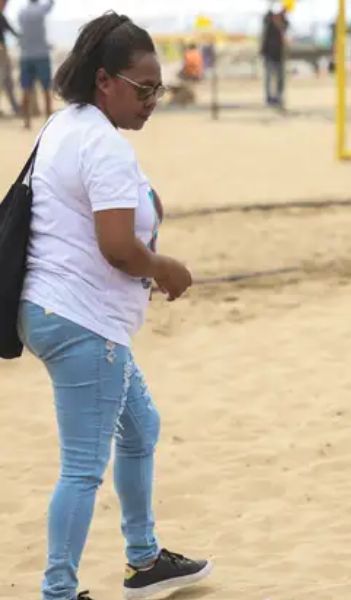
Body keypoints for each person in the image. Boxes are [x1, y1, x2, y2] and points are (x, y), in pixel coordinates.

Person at [17, 12, 211, 600]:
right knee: (81, 467)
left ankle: (145, 560)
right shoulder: (102, 145)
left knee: (141, 428)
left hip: (61, 312)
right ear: (105, 81)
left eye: (160, 87)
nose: (154, 99)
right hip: (82, 324)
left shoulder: (66, 124)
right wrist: (165, 267)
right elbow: (118, 247)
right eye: (144, 88)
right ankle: (57, 590)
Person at [17, 0, 54, 130]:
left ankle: (27, 122)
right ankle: (48, 121)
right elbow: (51, 3)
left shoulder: (22, 12)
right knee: (46, 89)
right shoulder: (41, 9)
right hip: (42, 54)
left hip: (26, 54)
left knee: (26, 89)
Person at [260, 4, 288, 108]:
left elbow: (285, 27)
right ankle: (269, 98)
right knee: (269, 77)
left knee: (280, 78)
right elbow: (264, 37)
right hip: (269, 54)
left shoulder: (283, 23)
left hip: (279, 54)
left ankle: (278, 97)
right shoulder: (268, 22)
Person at [0, 0, 20, 117]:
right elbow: (13, 32)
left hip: (4, 52)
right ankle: (15, 107)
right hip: (1, 51)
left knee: (7, 80)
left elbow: (13, 32)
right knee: (4, 79)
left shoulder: (2, 17)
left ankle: (15, 107)